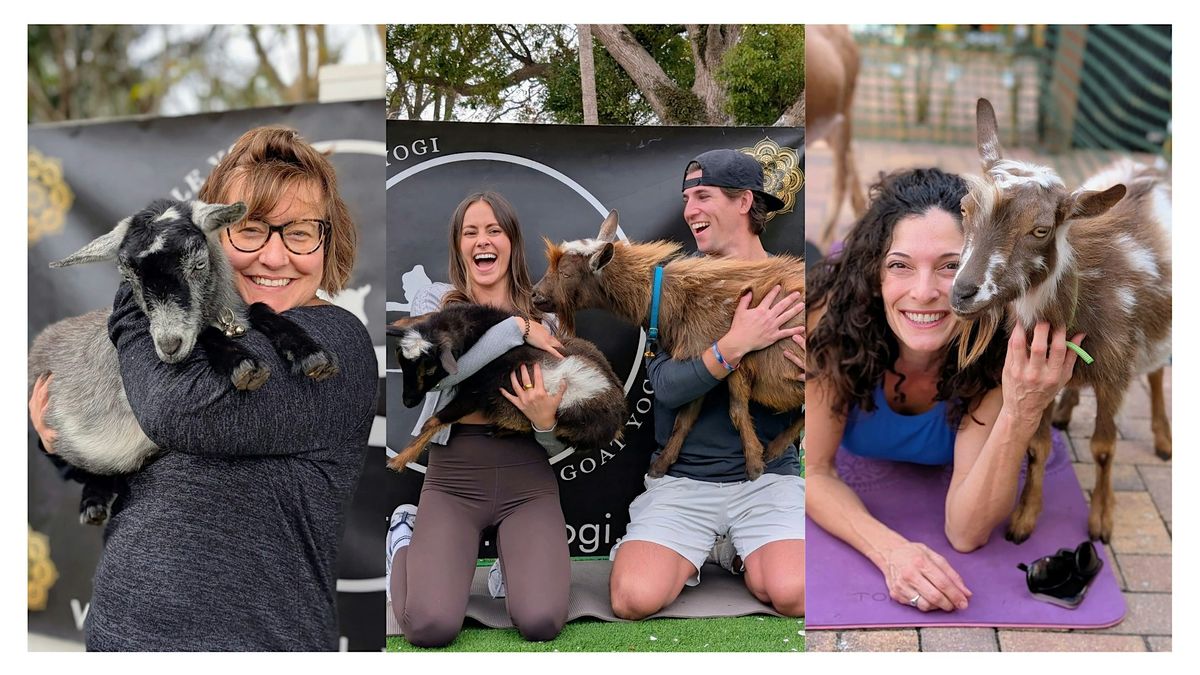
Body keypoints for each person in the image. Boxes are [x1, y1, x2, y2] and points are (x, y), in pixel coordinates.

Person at [28, 126, 378, 650]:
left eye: (301, 232)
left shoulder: (332, 346)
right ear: (214, 234)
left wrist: (139, 292)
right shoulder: (202, 331)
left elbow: (172, 412)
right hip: (117, 636)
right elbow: (125, 447)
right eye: (250, 230)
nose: (274, 257)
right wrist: (59, 440)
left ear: (329, 242)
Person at [805, 167, 1083, 612]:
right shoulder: (833, 319)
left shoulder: (996, 350)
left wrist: (1023, 409)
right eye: (899, 265)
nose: (924, 292)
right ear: (875, 274)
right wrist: (890, 551)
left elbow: (966, 532)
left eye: (951, 266)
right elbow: (815, 472)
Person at [608, 149, 806, 619]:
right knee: (634, 599)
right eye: (686, 199)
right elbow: (666, 388)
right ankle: (705, 548)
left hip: (765, 481)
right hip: (685, 482)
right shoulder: (673, 284)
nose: (689, 210)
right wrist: (733, 346)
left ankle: (736, 550)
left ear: (744, 202)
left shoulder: (793, 283)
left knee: (795, 593)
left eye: (703, 196)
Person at [386, 191, 573, 647]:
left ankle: (511, 566)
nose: (482, 240)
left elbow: (557, 441)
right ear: (458, 246)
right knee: (430, 626)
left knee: (541, 621)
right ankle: (404, 539)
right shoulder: (437, 301)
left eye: (494, 230)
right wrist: (514, 329)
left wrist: (545, 424)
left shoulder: (547, 318)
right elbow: (440, 381)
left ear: (512, 242)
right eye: (470, 232)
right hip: (454, 480)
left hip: (527, 480)